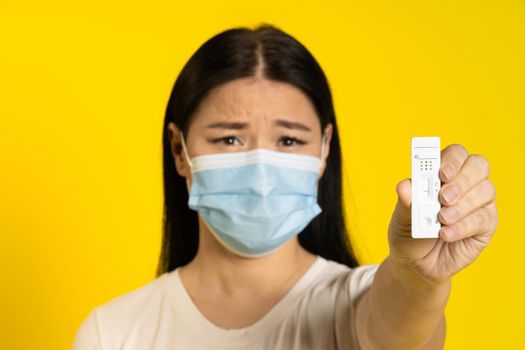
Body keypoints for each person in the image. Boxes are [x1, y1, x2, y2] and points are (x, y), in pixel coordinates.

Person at [72, 24, 498, 350]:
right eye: (229, 139)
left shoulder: (354, 306)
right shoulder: (112, 333)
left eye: (289, 140)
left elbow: (400, 327)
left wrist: (417, 278)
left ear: (324, 148)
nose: (260, 170)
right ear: (180, 151)